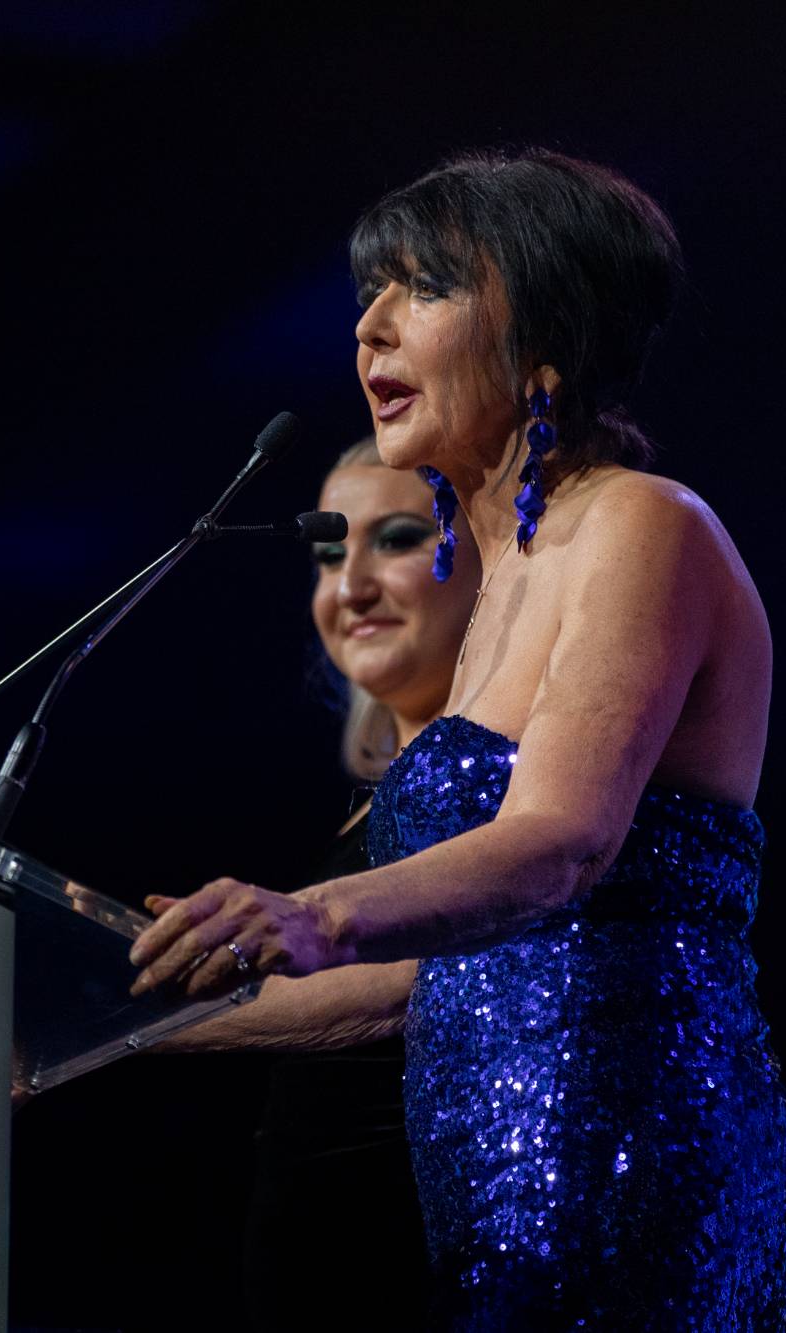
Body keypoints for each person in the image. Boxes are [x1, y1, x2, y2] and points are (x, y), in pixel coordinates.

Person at [131, 149, 786, 1329]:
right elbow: (415, 982)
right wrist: (108, 1009)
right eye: (368, 294)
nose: (369, 327)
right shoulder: (497, 583)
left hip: (620, 1145)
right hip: (482, 1170)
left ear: (543, 320)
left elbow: (559, 848)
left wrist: (312, 909)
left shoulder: (640, 524)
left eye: (422, 288)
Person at [238, 440, 481, 1329]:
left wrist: (123, 1015)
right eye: (331, 553)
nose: (350, 587)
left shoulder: (511, 788)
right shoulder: (370, 805)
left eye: (399, 538)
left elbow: (410, 989)